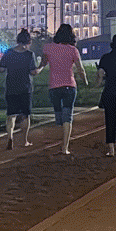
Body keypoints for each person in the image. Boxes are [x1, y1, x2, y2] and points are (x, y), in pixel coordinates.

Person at [38, 24, 88, 155]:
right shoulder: (73, 50)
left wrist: (38, 70)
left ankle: (56, 140)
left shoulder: (48, 48)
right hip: (69, 86)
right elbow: (80, 69)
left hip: (54, 87)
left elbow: (43, 63)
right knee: (68, 116)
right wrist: (85, 81)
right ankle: (64, 147)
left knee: (58, 116)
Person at [0, 28, 40, 150]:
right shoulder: (29, 54)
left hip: (11, 87)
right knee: (25, 115)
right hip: (25, 88)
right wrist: (41, 67)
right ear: (28, 41)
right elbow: (33, 72)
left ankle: (10, 138)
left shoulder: (8, 52)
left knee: (11, 115)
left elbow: (1, 69)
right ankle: (24, 140)